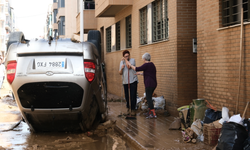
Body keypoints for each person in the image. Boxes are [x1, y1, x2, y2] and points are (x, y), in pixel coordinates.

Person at [124, 53, 157, 119]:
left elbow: (136, 68)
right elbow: (149, 73)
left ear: (144, 59)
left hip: (149, 84)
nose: (142, 60)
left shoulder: (146, 65)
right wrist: (141, 74)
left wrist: (130, 64)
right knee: (149, 97)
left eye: (143, 59)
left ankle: (153, 113)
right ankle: (150, 112)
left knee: (148, 98)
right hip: (153, 83)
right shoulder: (152, 64)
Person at [119, 50, 138, 116]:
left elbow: (129, 67)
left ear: (129, 55)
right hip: (125, 81)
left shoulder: (132, 60)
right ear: (123, 56)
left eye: (127, 56)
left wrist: (125, 60)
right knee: (127, 96)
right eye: (125, 56)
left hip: (133, 80)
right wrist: (121, 68)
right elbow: (120, 73)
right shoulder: (121, 62)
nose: (127, 57)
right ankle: (128, 108)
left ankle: (133, 109)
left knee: (133, 95)